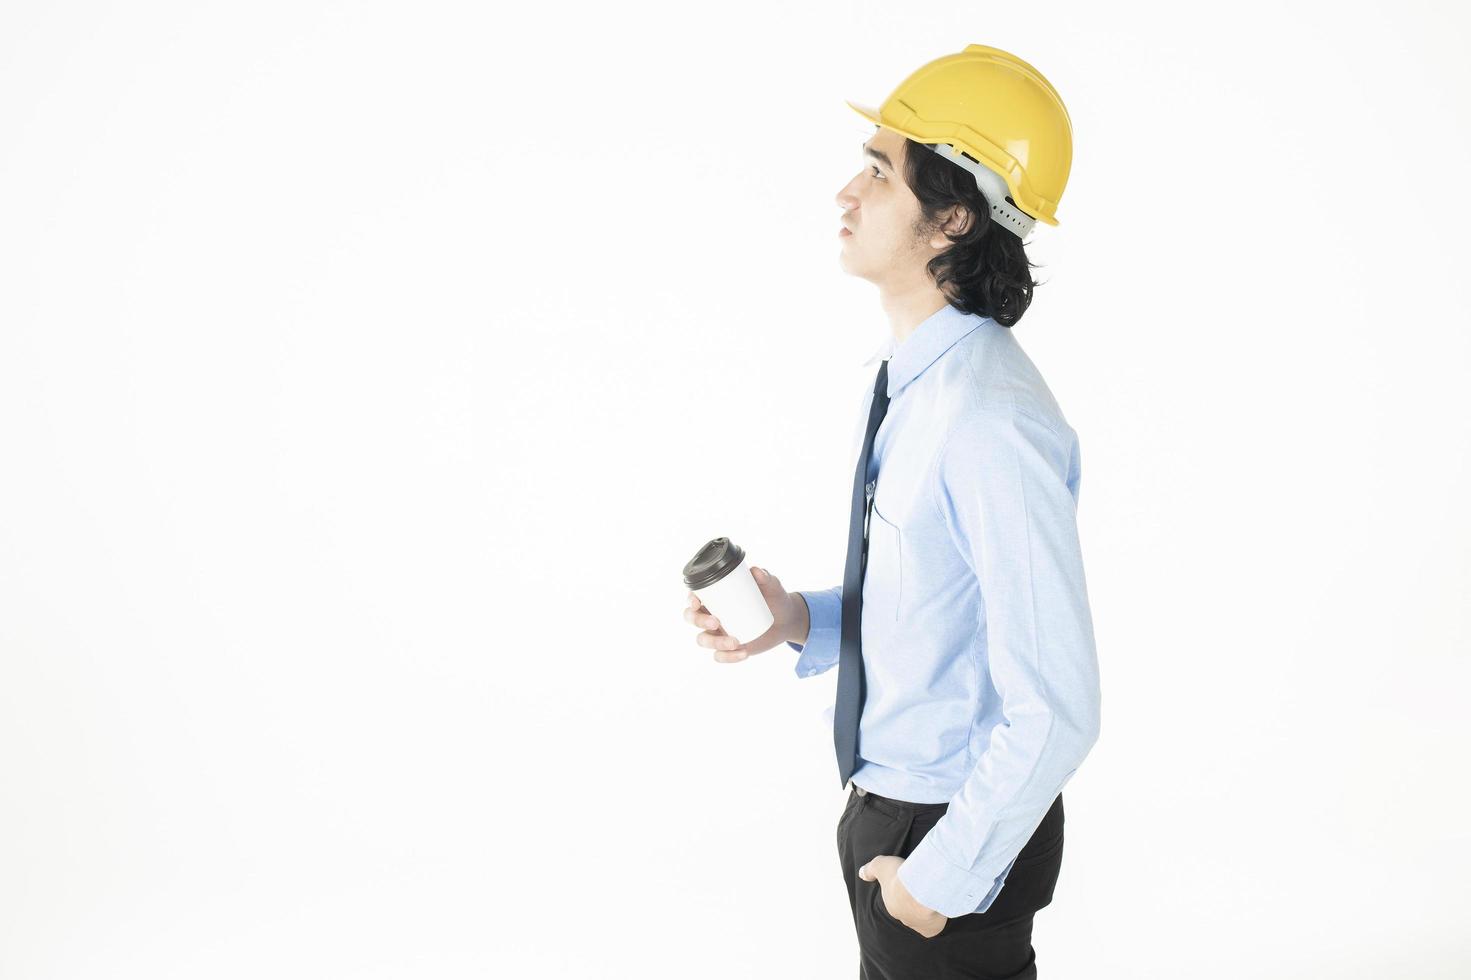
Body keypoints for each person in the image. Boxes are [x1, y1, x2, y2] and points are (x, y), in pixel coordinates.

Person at [683, 44, 1101, 979]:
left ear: (951, 216)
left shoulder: (990, 421)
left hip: (948, 837)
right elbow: (941, 605)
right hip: (901, 814)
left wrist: (935, 881)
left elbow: (1057, 705)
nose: (844, 194)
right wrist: (799, 621)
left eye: (876, 172)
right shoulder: (925, 387)